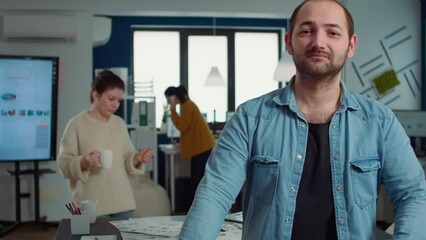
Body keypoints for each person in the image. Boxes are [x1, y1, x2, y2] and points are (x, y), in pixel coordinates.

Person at [179, 0, 426, 239]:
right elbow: (215, 193)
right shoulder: (249, 118)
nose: (319, 42)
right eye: (307, 30)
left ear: (351, 46)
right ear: (289, 42)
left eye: (333, 33)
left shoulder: (379, 122)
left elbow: (413, 194)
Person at [57, 70, 154, 219]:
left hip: (122, 203)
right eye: (111, 99)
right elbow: (64, 163)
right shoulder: (76, 124)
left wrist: (138, 158)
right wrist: (85, 161)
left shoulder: (119, 124)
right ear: (95, 95)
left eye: (119, 100)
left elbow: (127, 157)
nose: (116, 105)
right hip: (90, 205)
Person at [164, 85, 215, 204]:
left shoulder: (187, 106)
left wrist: (172, 108)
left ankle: (197, 205)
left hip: (201, 147)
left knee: (197, 178)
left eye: (168, 99)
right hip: (201, 146)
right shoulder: (187, 105)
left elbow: (182, 126)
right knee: (196, 177)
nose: (167, 101)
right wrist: (183, 143)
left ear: (173, 97)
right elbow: (189, 129)